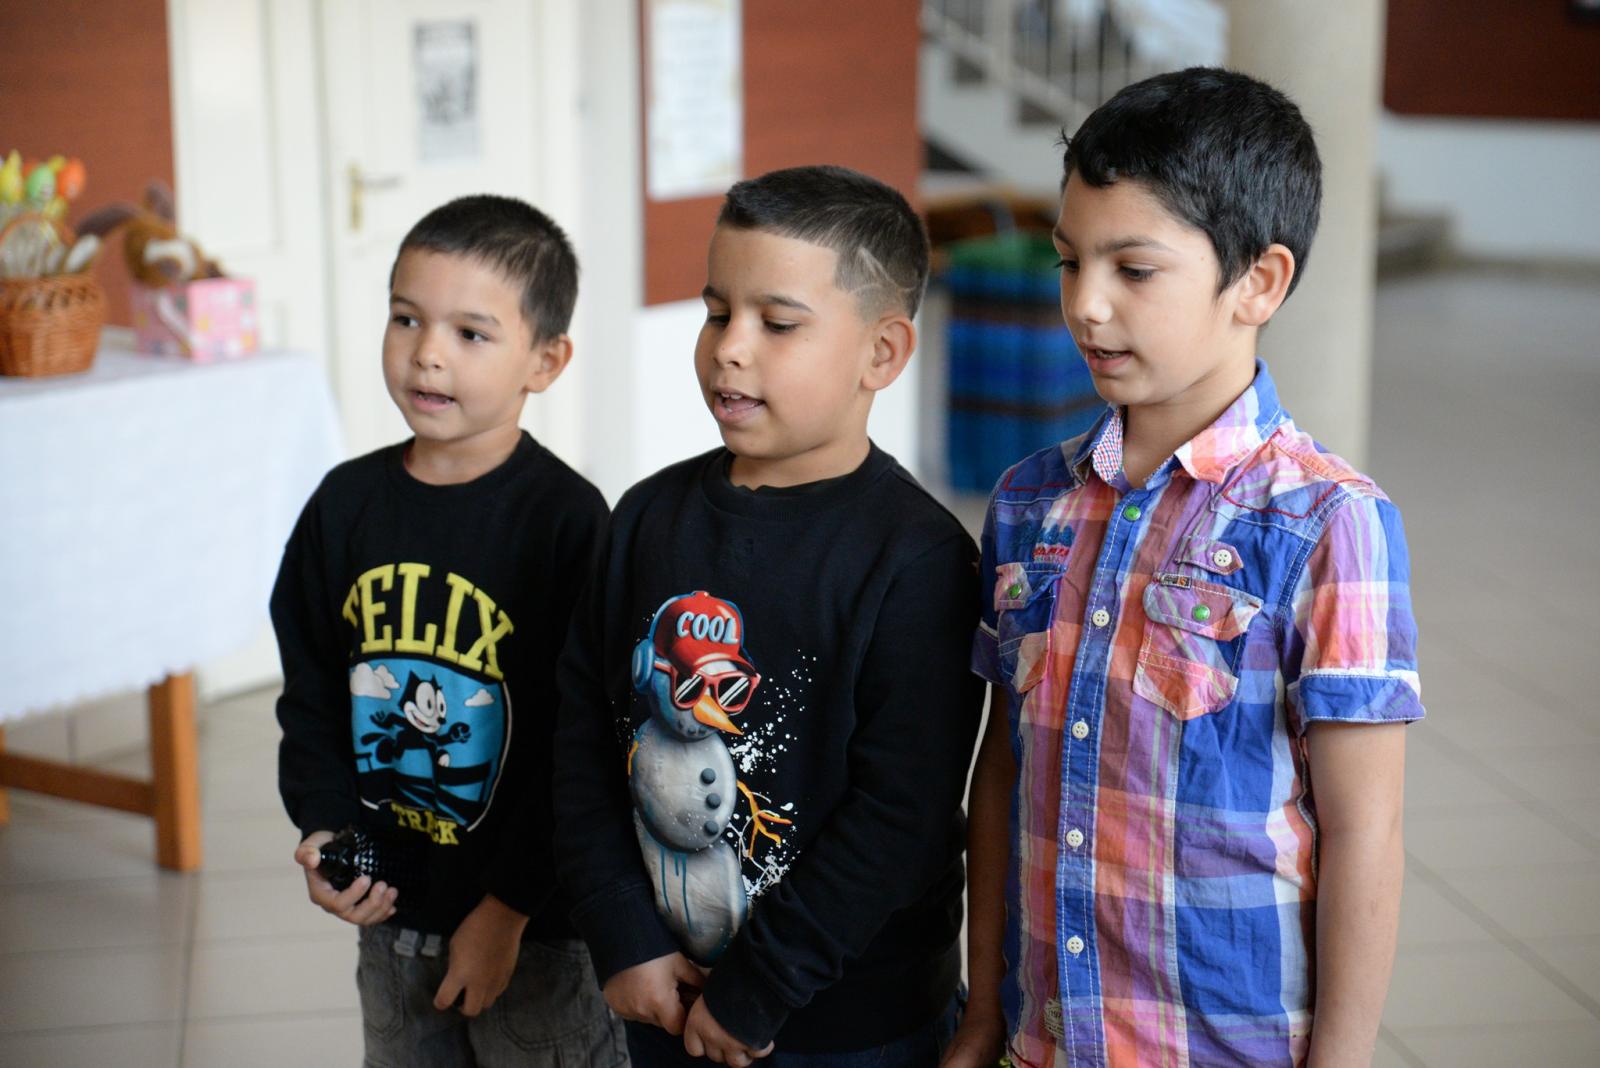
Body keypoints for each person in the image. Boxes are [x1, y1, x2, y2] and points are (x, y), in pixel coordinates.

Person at [944, 68, 1424, 1068]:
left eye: (1134, 269)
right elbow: (1002, 773)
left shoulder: (1330, 523)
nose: (1086, 305)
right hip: (1043, 1040)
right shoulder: (1028, 503)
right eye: (1069, 261)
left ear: (1258, 282)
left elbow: (1364, 834)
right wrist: (985, 1012)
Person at [553, 165, 984, 1067]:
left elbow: (899, 820)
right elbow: (579, 734)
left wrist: (758, 991)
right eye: (717, 313)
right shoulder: (644, 520)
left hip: (850, 1030)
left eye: (777, 324)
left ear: (882, 354)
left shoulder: (919, 560)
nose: (730, 349)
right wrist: (622, 931)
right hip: (662, 995)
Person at [271, 194, 623, 1066]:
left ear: (545, 360)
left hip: (537, 934)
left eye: (471, 333)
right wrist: (324, 828)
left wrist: (508, 908)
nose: (427, 352)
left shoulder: (568, 523)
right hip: (391, 914)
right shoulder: (343, 507)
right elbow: (311, 694)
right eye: (406, 319)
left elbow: (581, 743)